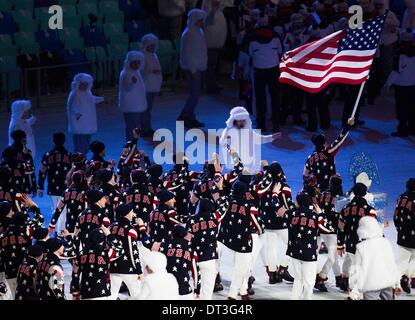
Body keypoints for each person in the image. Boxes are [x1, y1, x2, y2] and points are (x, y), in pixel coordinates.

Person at [276, 193, 333, 300]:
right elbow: (328, 228)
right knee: (309, 282)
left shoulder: (291, 214)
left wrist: (275, 193)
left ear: (298, 203)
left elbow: (276, 207)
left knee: (298, 279)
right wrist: (321, 214)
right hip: (309, 255)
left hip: (294, 252)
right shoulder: (315, 217)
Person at [217, 180, 263, 300]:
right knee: (241, 270)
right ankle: (232, 295)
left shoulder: (227, 201)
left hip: (229, 240)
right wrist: (261, 231)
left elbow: (218, 213)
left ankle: (243, 293)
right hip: (243, 242)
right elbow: (258, 223)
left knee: (240, 267)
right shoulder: (249, 206)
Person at [257, 162, 295, 284]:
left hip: (267, 222)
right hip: (282, 222)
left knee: (271, 248)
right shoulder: (284, 187)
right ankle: (283, 268)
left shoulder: (264, 185)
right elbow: (289, 206)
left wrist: (266, 168)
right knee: (293, 244)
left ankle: (272, 275)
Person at [337, 182, 378, 292]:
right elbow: (373, 229)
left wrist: (340, 245)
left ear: (354, 193)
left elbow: (341, 228)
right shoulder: (370, 210)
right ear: (365, 194)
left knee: (353, 263)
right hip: (364, 245)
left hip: (350, 244)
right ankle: (354, 292)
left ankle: (346, 282)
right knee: (359, 268)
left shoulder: (345, 209)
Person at [348, 216, 401, 300]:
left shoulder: (361, 247)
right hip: (387, 283)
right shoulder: (385, 243)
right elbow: (392, 265)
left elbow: (357, 271)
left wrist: (354, 291)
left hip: (370, 285)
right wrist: (397, 284)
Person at [219, 106, 280, 172]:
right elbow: (223, 143)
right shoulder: (229, 131)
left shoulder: (247, 130)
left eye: (243, 120)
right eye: (239, 121)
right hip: (234, 164)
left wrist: (271, 137)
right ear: (234, 121)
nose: (242, 123)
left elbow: (258, 139)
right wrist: (226, 139)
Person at [71, 226, 123, 300]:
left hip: (86, 293)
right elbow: (120, 248)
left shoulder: (81, 254)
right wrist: (109, 235)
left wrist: (75, 292)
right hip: (102, 293)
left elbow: (75, 273)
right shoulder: (107, 253)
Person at [303, 118, 355, 192]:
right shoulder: (329, 152)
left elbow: (305, 175)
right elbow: (340, 139)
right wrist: (348, 125)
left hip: (318, 191)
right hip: (332, 190)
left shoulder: (310, 159)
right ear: (324, 143)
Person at [109, 204, 147, 300]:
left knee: (111, 295)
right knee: (138, 296)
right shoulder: (130, 230)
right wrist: (139, 270)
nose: (134, 214)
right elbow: (132, 252)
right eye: (132, 212)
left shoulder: (111, 226)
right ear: (126, 214)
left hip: (113, 267)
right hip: (128, 268)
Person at [248, 23, 282, 133]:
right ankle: (276, 124)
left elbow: (250, 54)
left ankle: (261, 125)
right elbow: (280, 53)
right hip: (273, 70)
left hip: (259, 71)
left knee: (260, 98)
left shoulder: (253, 40)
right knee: (275, 97)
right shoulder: (276, 39)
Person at [178, 8, 208, 128]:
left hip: (196, 67)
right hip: (192, 68)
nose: (202, 22)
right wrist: (193, 69)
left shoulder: (197, 31)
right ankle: (185, 116)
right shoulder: (190, 33)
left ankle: (190, 116)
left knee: (195, 93)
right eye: (200, 20)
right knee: (194, 94)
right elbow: (188, 53)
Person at [37, 133, 72, 234]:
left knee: (55, 209)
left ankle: (57, 232)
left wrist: (40, 186)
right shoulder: (69, 155)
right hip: (65, 187)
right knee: (63, 211)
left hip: (52, 187)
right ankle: (60, 233)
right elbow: (72, 172)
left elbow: (42, 172)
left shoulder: (47, 155)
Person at [315, 174, 343, 291]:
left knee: (316, 254)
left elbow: (316, 209)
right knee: (332, 256)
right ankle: (321, 277)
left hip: (319, 228)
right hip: (331, 231)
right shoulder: (342, 198)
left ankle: (338, 278)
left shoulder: (322, 194)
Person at [386, 30, 415, 137]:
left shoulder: (399, 55)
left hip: (402, 87)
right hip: (413, 85)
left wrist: (388, 84)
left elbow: (396, 72)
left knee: (402, 109)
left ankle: (403, 129)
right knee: (412, 108)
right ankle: (412, 128)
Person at [67, 73, 105, 155]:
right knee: (80, 142)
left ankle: (83, 155)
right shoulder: (74, 94)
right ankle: (79, 158)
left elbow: (93, 100)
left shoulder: (88, 93)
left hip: (87, 123)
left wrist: (102, 99)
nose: (84, 86)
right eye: (82, 84)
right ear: (77, 84)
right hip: (79, 124)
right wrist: (76, 113)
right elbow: (72, 105)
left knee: (86, 142)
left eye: (86, 84)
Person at [160, 225, 200, 299]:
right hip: (184, 289)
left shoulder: (164, 246)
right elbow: (195, 271)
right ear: (184, 234)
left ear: (172, 234)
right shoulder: (191, 249)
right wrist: (197, 289)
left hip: (167, 289)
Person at [118, 51, 148, 141]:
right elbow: (127, 88)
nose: (137, 64)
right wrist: (132, 83)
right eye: (135, 62)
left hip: (136, 105)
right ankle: (130, 146)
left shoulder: (136, 72)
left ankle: (133, 146)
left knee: (135, 127)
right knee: (131, 127)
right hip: (130, 106)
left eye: (138, 62)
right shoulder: (126, 73)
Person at [393, 178, 415, 294]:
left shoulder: (400, 198)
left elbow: (395, 214)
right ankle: (406, 277)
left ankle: (395, 284)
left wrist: (399, 228)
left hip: (402, 234)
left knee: (402, 262)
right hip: (413, 235)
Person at [49, 170, 88, 234]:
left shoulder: (67, 191)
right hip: (83, 226)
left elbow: (58, 209)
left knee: (70, 242)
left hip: (70, 225)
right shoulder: (87, 192)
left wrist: (52, 224)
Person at [202, 0, 228, 94]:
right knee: (210, 66)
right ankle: (210, 86)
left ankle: (213, 84)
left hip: (217, 43)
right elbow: (208, 20)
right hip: (211, 43)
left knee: (214, 65)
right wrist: (213, 8)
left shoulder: (219, 12)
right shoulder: (208, 11)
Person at [1, 130, 37, 195]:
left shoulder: (6, 151)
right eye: (24, 139)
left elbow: (31, 170)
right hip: (19, 186)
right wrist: (34, 187)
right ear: (21, 140)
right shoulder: (8, 152)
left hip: (14, 186)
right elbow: (31, 171)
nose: (26, 141)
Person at [141, 34, 162, 137]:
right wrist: (151, 71)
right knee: (146, 109)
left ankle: (146, 127)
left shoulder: (154, 55)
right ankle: (145, 128)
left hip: (152, 85)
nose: (153, 47)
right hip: (147, 86)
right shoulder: (143, 56)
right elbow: (141, 71)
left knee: (148, 109)